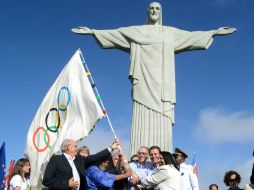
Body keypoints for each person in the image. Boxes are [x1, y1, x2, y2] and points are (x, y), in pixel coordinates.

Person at [71, 1, 236, 155]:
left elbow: (192, 37)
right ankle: (138, 154)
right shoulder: (137, 32)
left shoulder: (170, 33)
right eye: (151, 8)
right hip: (142, 81)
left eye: (157, 8)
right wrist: (93, 32)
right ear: (148, 12)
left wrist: (213, 32)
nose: (154, 11)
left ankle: (161, 156)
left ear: (161, 13)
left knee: (162, 117)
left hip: (163, 86)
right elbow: (116, 34)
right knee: (141, 114)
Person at [42, 138, 119, 190]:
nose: (77, 148)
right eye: (75, 146)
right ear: (68, 148)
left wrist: (111, 148)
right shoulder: (56, 159)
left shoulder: (79, 160)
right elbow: (47, 181)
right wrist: (67, 184)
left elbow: (95, 157)